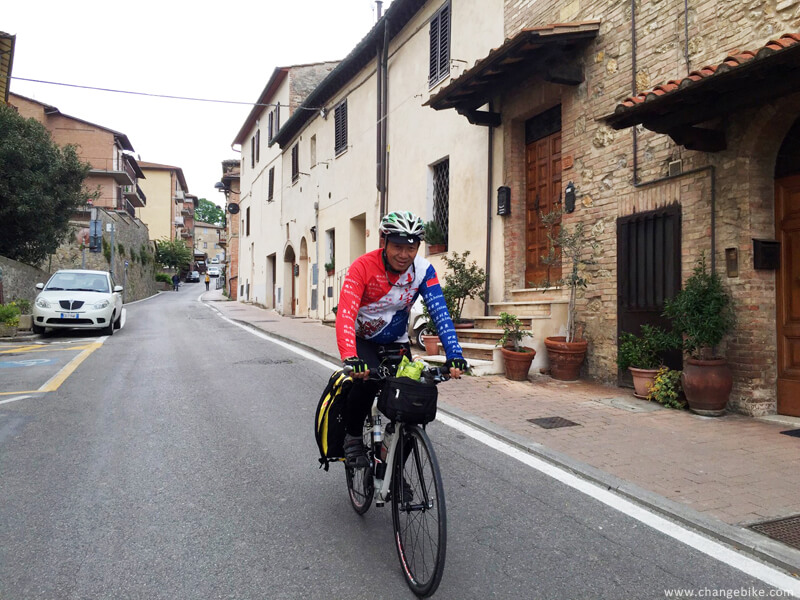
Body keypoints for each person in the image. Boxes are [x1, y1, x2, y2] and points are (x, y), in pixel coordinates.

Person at [335, 210, 469, 468]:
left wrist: (454, 354)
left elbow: (440, 313)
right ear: (383, 242)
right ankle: (352, 436)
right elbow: (346, 314)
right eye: (397, 246)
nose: (404, 254)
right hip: (363, 340)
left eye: (411, 247)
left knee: (413, 402)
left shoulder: (423, 271)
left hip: (396, 342)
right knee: (366, 382)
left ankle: (392, 472)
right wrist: (350, 356)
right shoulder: (362, 267)